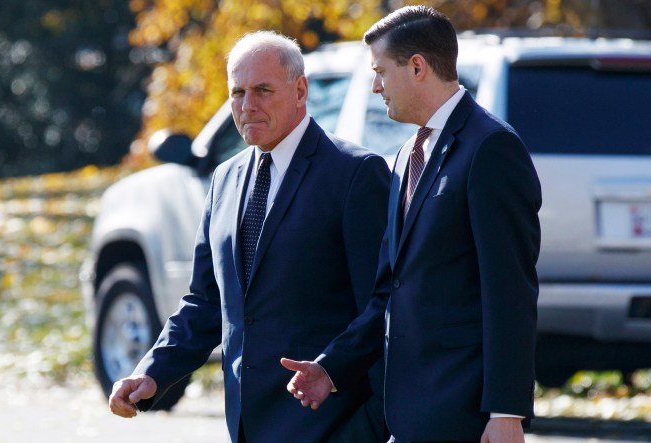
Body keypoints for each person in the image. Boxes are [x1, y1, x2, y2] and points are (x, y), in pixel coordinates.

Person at [108, 31, 391, 443]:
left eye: (262, 90)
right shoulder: (224, 178)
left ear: (301, 90)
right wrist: (152, 373)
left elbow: (381, 306)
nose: (247, 105)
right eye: (237, 92)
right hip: (247, 426)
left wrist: (367, 423)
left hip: (333, 424)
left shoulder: (355, 174)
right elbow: (206, 302)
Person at [281, 5, 542, 443]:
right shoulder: (406, 156)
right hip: (408, 413)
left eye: (381, 71)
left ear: (417, 66)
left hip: (466, 414)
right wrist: (332, 366)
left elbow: (510, 291)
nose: (375, 85)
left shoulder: (492, 148)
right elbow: (390, 289)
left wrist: (506, 411)